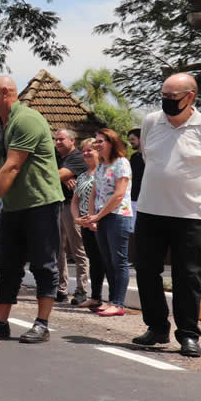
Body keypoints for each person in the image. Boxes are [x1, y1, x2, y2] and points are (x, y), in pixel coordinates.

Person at [132, 72, 201, 358]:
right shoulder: (151, 122)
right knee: (146, 271)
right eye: (163, 96)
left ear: (190, 97)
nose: (166, 101)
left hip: (192, 216)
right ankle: (156, 327)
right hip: (151, 211)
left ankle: (188, 335)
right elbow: (149, 160)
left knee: (187, 276)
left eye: (172, 97)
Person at [0, 76, 65, 344]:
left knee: (43, 264)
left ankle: (42, 323)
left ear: (6, 93)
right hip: (14, 207)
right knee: (7, 266)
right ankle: (0, 321)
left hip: (41, 203)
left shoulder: (26, 120)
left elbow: (12, 167)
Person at [77, 129, 134, 317]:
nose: (97, 145)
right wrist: (92, 216)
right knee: (107, 260)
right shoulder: (101, 166)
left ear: (112, 143)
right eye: (96, 142)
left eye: (101, 141)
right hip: (102, 218)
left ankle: (118, 302)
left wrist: (98, 215)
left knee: (119, 261)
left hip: (118, 216)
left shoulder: (122, 164)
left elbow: (119, 195)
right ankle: (111, 300)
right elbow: (94, 192)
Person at [52, 127, 91, 305]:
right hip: (56, 204)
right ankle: (61, 289)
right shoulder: (55, 156)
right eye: (56, 139)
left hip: (72, 207)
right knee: (58, 249)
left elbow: (52, 176)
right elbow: (49, 172)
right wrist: (62, 176)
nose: (58, 142)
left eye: (61, 139)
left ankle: (82, 289)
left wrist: (62, 175)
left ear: (71, 140)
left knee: (78, 249)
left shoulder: (76, 157)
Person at [71, 138, 107, 311]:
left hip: (102, 222)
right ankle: (95, 297)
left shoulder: (104, 172)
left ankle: (115, 300)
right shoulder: (82, 176)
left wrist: (96, 218)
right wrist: (77, 218)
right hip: (86, 224)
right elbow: (74, 201)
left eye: (89, 150)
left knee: (108, 260)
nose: (86, 153)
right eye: (83, 151)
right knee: (95, 261)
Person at [127, 128, 144, 235]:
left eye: (132, 139)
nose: (130, 142)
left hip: (146, 199)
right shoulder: (133, 157)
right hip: (133, 198)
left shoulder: (151, 157)